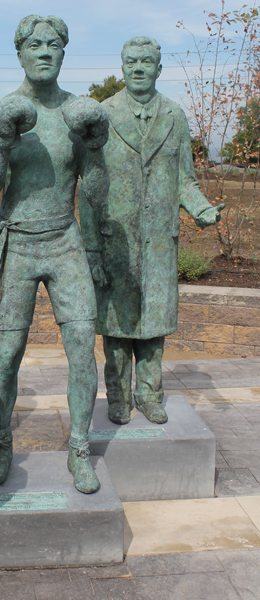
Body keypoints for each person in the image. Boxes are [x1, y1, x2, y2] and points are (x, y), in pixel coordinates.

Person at [0, 14, 109, 494]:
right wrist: (3, 143)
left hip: (65, 240)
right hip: (19, 246)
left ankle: (79, 449)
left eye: (53, 44)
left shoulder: (78, 111)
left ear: (64, 53)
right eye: (35, 44)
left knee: (81, 350)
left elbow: (95, 195)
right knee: (7, 354)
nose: (44, 52)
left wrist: (93, 146)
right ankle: (2, 443)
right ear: (21, 53)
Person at [80, 36, 224, 426]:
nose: (139, 68)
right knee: (116, 328)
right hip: (117, 243)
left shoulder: (175, 117)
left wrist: (202, 209)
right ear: (121, 67)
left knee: (154, 325)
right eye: (131, 62)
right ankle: (117, 397)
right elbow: (88, 187)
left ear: (159, 69)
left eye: (146, 62)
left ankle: (149, 394)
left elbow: (185, 181)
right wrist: (92, 248)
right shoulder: (103, 115)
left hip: (160, 242)